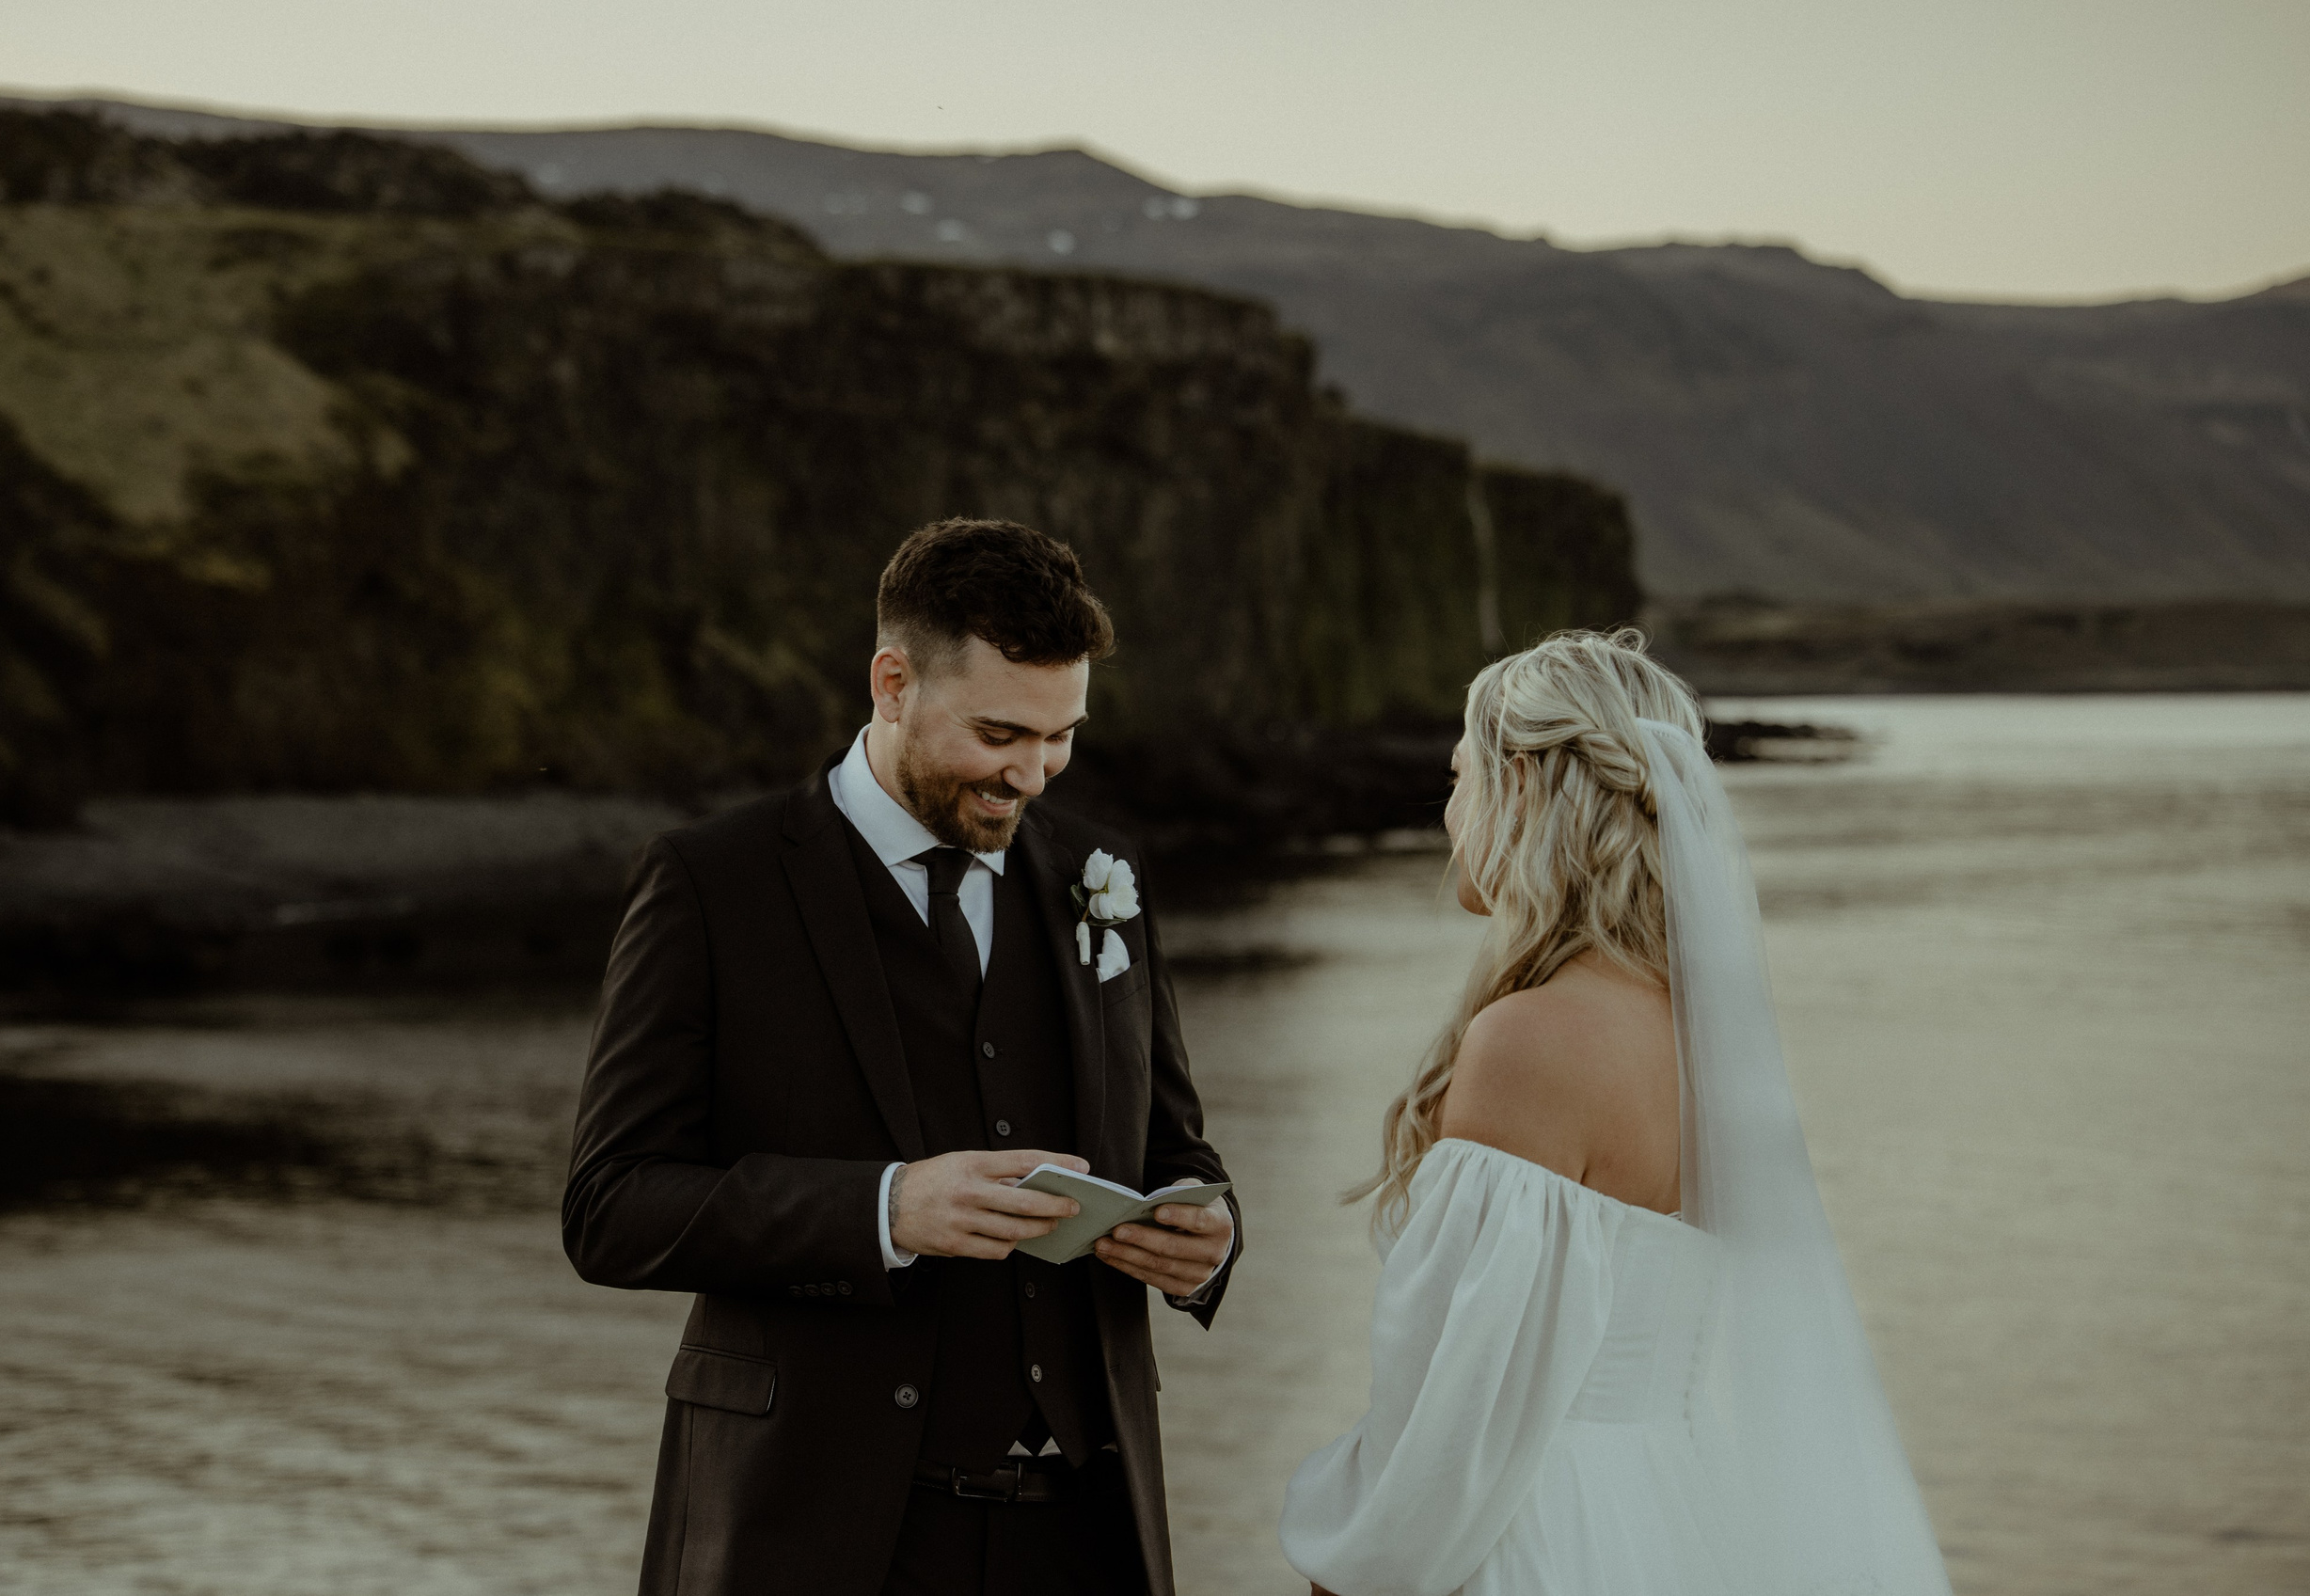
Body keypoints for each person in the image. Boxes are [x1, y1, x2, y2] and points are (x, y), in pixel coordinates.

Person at [564, 518, 1241, 1596]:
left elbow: (1172, 1143)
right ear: (891, 682)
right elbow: (611, 1205)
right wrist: (883, 1209)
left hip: (1081, 1534)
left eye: (1061, 736)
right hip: (812, 1532)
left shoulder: (1100, 872)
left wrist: (1206, 1239)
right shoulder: (712, 883)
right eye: (998, 732)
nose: (1031, 773)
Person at [1281, 629, 1952, 1596]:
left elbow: (1463, 1405)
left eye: (1459, 776)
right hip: (1671, 1510)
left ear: (1520, 788)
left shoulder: (1531, 1039)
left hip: (1530, 1533)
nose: (1446, 812)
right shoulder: (1699, 1038)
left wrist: (1353, 1572)